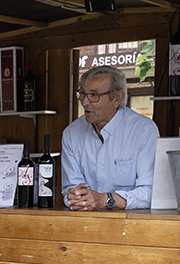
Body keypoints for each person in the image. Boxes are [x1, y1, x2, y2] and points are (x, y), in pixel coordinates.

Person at [62, 65, 158, 211]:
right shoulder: (72, 133)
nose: (84, 102)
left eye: (94, 95)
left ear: (117, 98)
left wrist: (107, 199)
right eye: (82, 93)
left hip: (132, 225)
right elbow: (70, 187)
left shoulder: (143, 130)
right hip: (84, 223)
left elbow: (151, 192)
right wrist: (75, 196)